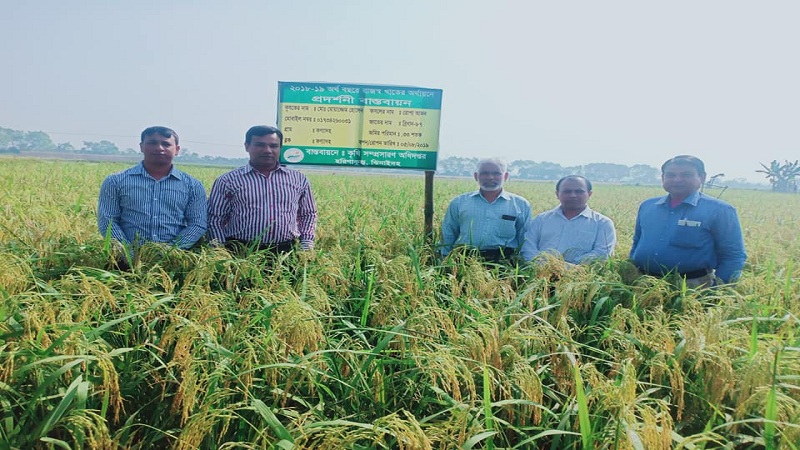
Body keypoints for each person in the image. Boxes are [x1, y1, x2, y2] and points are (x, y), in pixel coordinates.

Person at [630, 155, 746, 287]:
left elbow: (733, 255)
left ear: (702, 177)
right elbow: (637, 240)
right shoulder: (648, 206)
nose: (677, 179)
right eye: (671, 175)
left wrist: (718, 291)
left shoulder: (720, 210)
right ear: (663, 178)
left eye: (686, 175)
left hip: (692, 286)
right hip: (643, 282)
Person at [97, 126, 207, 256]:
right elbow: (107, 222)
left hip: (173, 260)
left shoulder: (193, 186)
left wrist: (170, 253)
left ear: (177, 150)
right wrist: (128, 254)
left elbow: (197, 224)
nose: (159, 148)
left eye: (166, 144)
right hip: (124, 260)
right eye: (152, 143)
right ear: (142, 146)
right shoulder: (115, 181)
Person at [207, 125, 317, 253]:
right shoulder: (228, 181)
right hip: (240, 250)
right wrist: (220, 252)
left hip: (286, 251)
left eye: (274, 146)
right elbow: (215, 219)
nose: (268, 150)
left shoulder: (298, 179)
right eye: (260, 145)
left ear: (280, 148)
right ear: (247, 146)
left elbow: (308, 214)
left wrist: (306, 245)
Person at [440, 158, 532, 263]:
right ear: (476, 176)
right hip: (465, 259)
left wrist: (524, 264)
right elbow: (448, 233)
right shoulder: (459, 202)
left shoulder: (521, 204)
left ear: (505, 176)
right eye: (484, 173)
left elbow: (525, 238)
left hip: (504, 261)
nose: (490, 177)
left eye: (496, 173)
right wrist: (444, 259)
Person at [522, 175, 616, 265]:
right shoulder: (541, 219)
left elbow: (602, 253)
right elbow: (528, 247)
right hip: (539, 275)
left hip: (581, 278)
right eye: (567, 191)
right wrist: (543, 265)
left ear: (589, 194)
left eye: (579, 191)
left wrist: (566, 268)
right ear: (557, 194)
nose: (573, 195)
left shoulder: (603, 223)